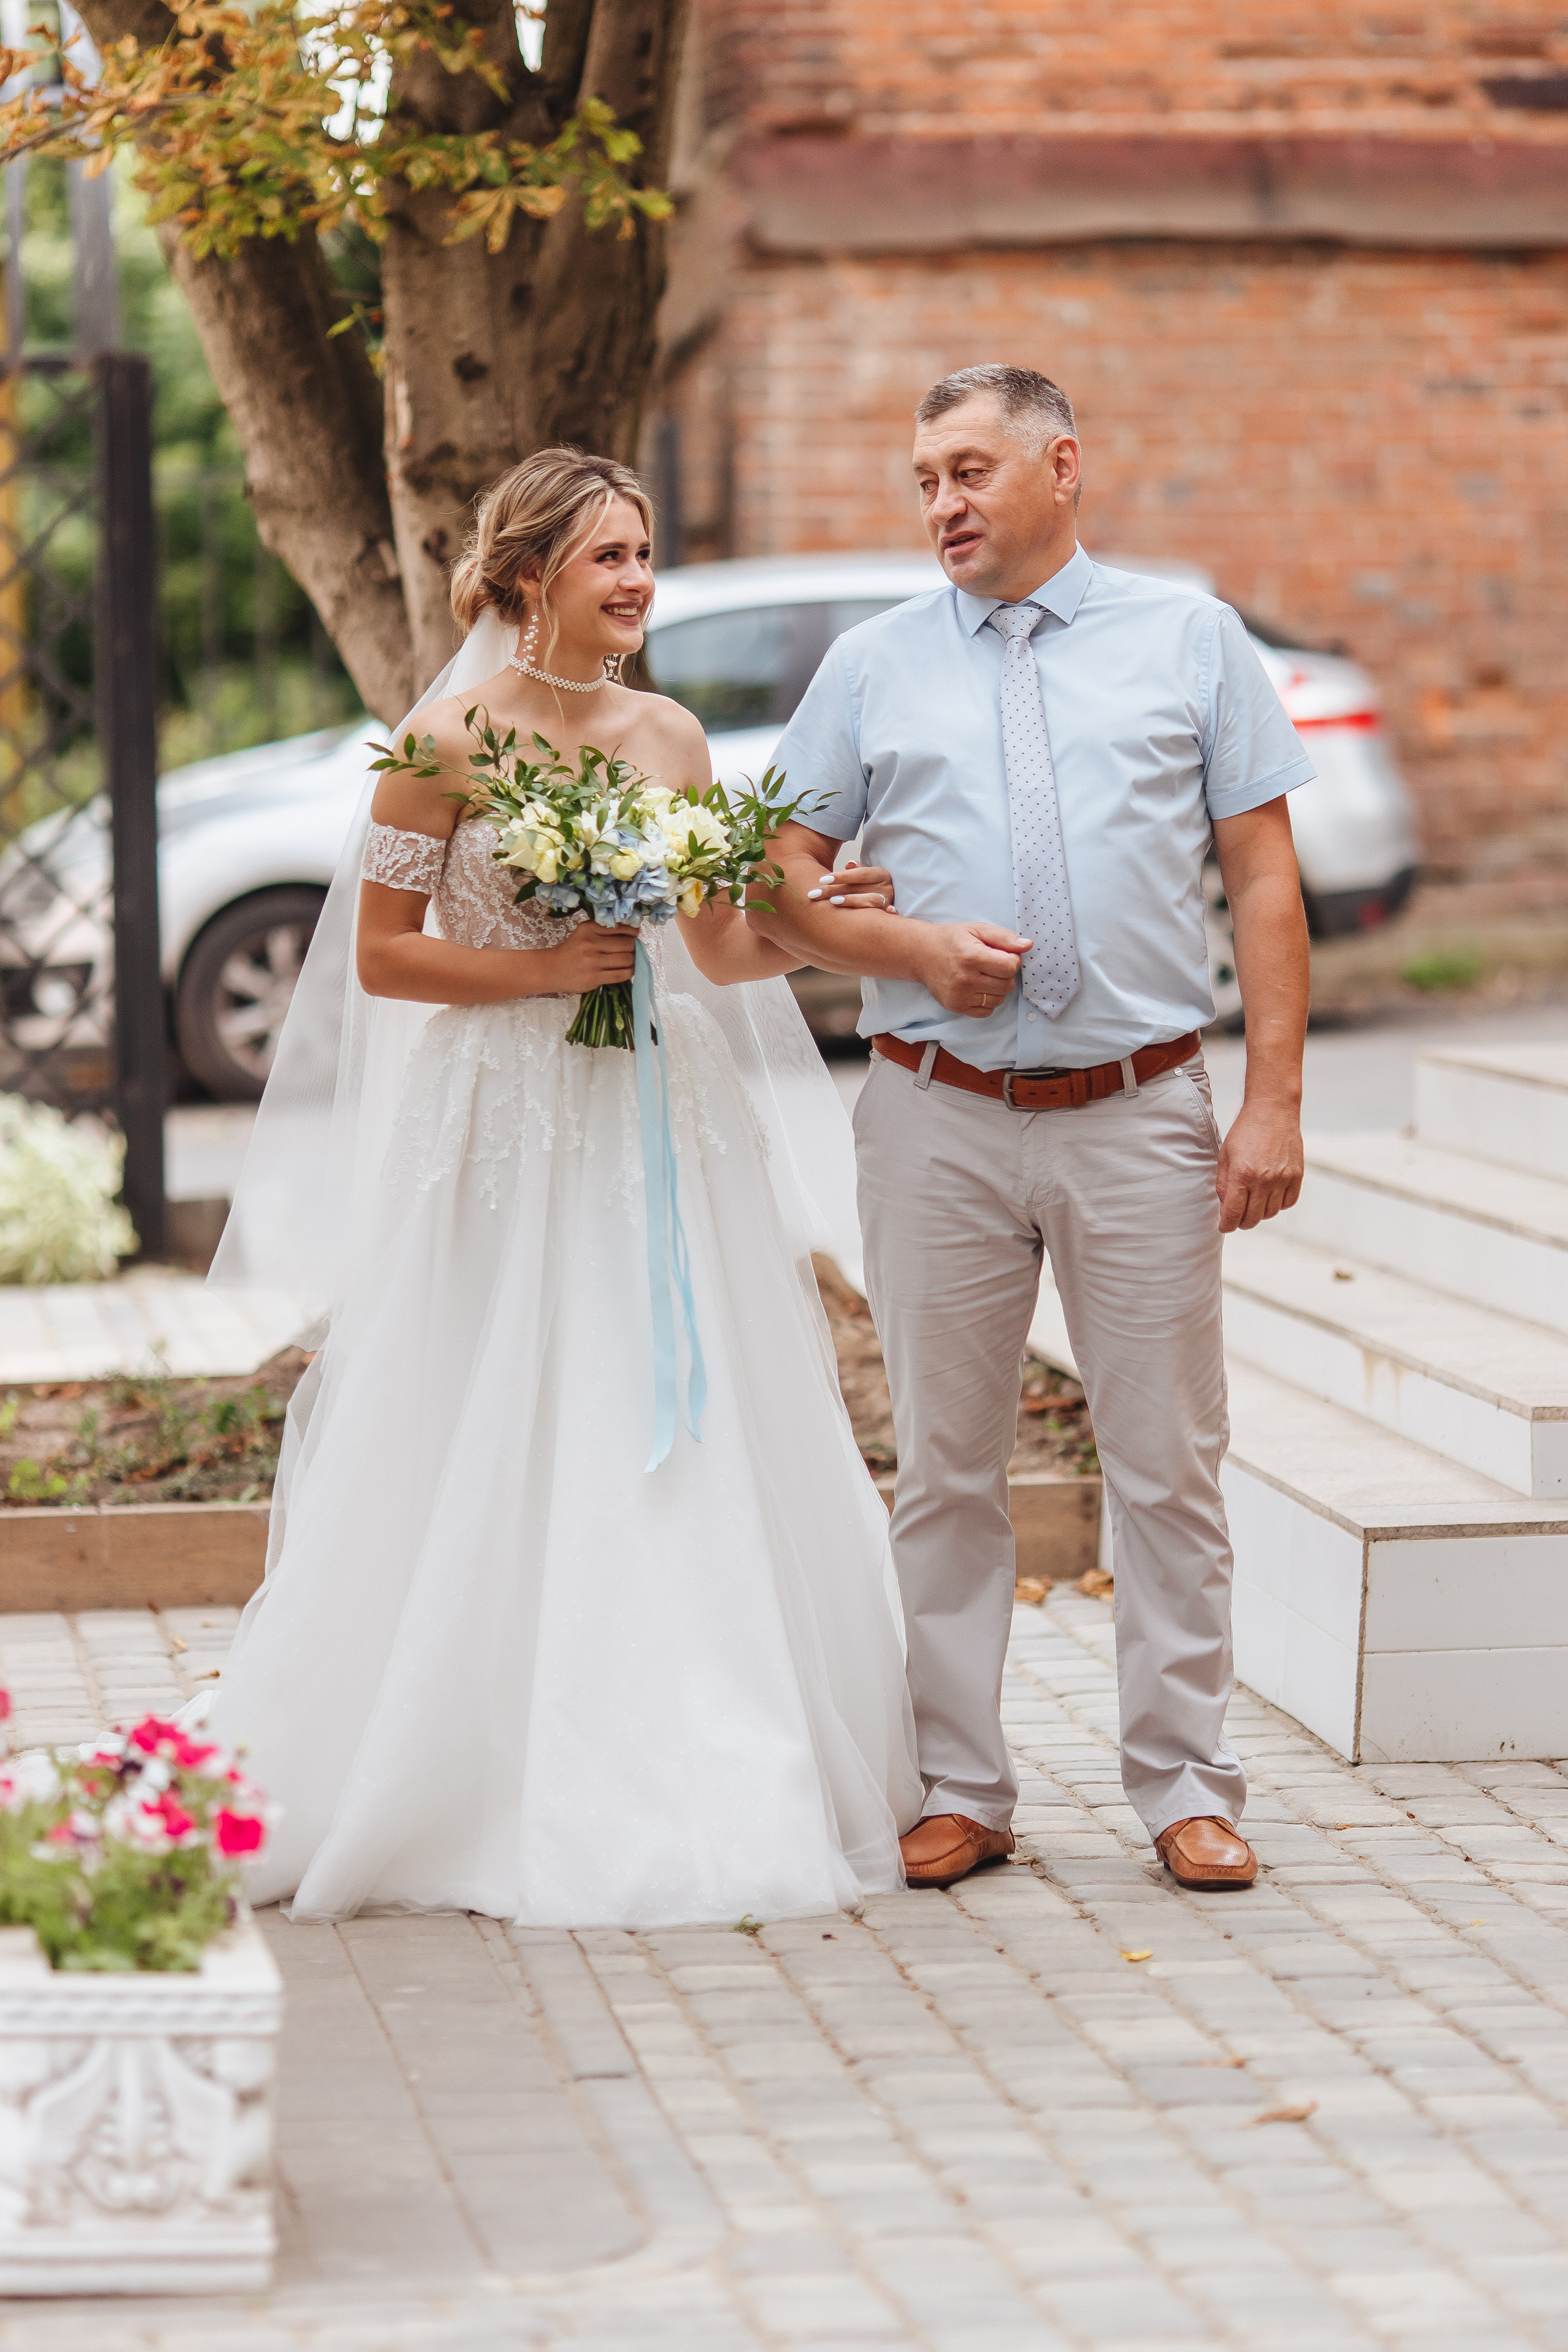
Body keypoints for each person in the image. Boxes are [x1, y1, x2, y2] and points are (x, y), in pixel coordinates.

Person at [202, 445, 923, 1928]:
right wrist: (538, 969)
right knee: (504, 1387)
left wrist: (815, 926)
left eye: (645, 555)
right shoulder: (438, 742)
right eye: (610, 558)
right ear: (527, 575)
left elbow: (717, 946)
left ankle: (704, 1730)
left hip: (656, 1106)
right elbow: (383, 954)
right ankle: (458, 1750)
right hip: (504, 1120)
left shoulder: (668, 737)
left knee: (681, 1392)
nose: (638, 583)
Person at [751, 364, 1313, 1894]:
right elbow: (773, 883)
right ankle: (957, 1786)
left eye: (968, 470)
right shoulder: (867, 668)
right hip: (932, 1118)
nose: (940, 502)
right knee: (942, 1467)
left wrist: (1268, 1097)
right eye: (923, 477)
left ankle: (1186, 1785)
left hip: (1138, 1110)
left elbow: (1262, 877)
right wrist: (906, 953)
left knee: (1167, 1463)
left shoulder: (1190, 639)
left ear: (1060, 466)